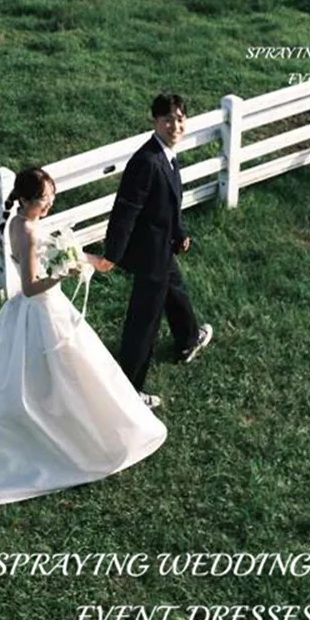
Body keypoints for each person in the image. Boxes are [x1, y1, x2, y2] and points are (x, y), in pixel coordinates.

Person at [0, 167, 167, 509]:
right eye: (43, 200)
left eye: (52, 198)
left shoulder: (22, 221)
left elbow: (51, 250)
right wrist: (62, 274)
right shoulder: (24, 230)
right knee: (70, 373)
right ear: (24, 200)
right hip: (40, 310)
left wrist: (90, 259)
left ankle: (73, 423)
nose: (49, 205)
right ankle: (78, 437)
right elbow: (29, 286)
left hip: (43, 309)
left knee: (71, 372)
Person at [104, 93, 214, 407]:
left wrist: (179, 233)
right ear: (154, 121)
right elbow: (125, 212)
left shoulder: (166, 155)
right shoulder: (147, 162)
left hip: (163, 246)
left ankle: (188, 341)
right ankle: (129, 391)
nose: (174, 125)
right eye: (167, 119)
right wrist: (111, 256)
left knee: (175, 290)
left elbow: (167, 205)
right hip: (149, 255)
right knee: (144, 322)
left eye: (180, 118)